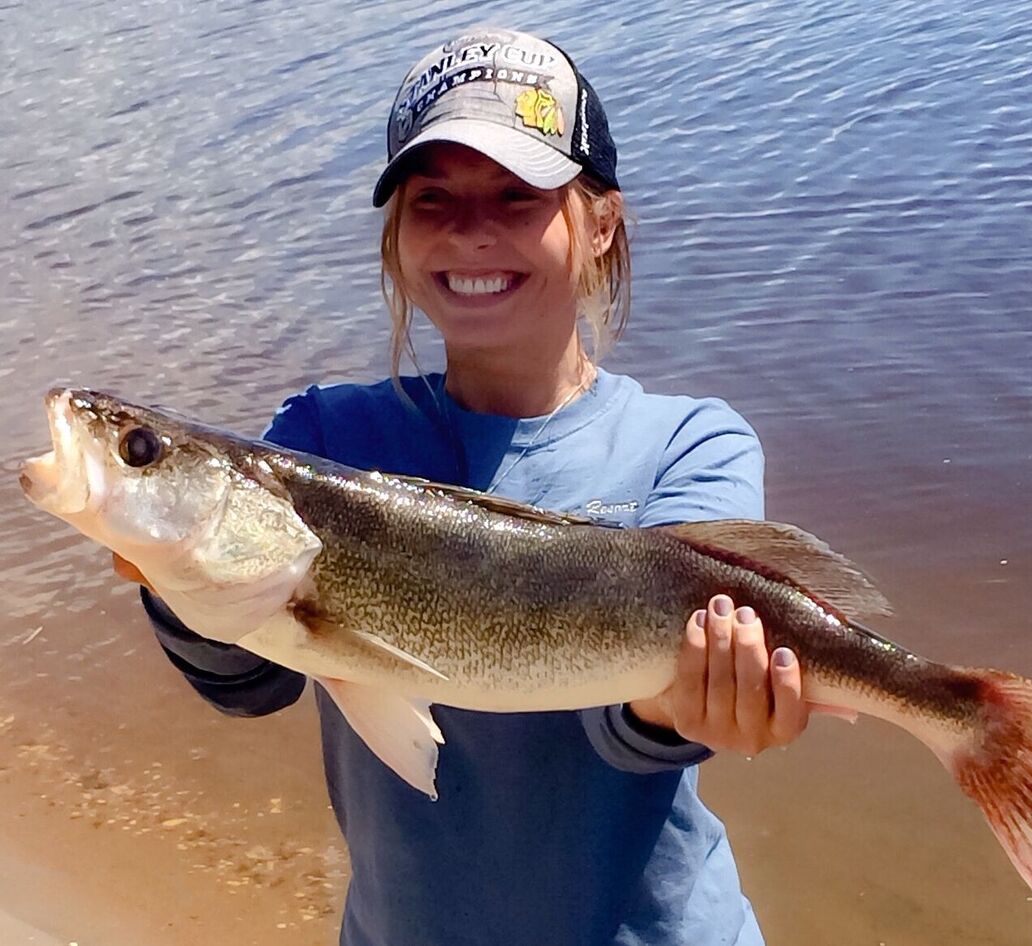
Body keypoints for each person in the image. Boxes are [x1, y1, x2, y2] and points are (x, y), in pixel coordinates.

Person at [118, 27, 811, 946]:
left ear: (601, 222)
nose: (470, 229)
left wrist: (695, 699)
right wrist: (173, 572)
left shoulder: (689, 443)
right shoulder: (324, 441)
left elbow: (630, 731)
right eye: (432, 197)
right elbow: (247, 685)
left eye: (517, 195)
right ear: (396, 234)